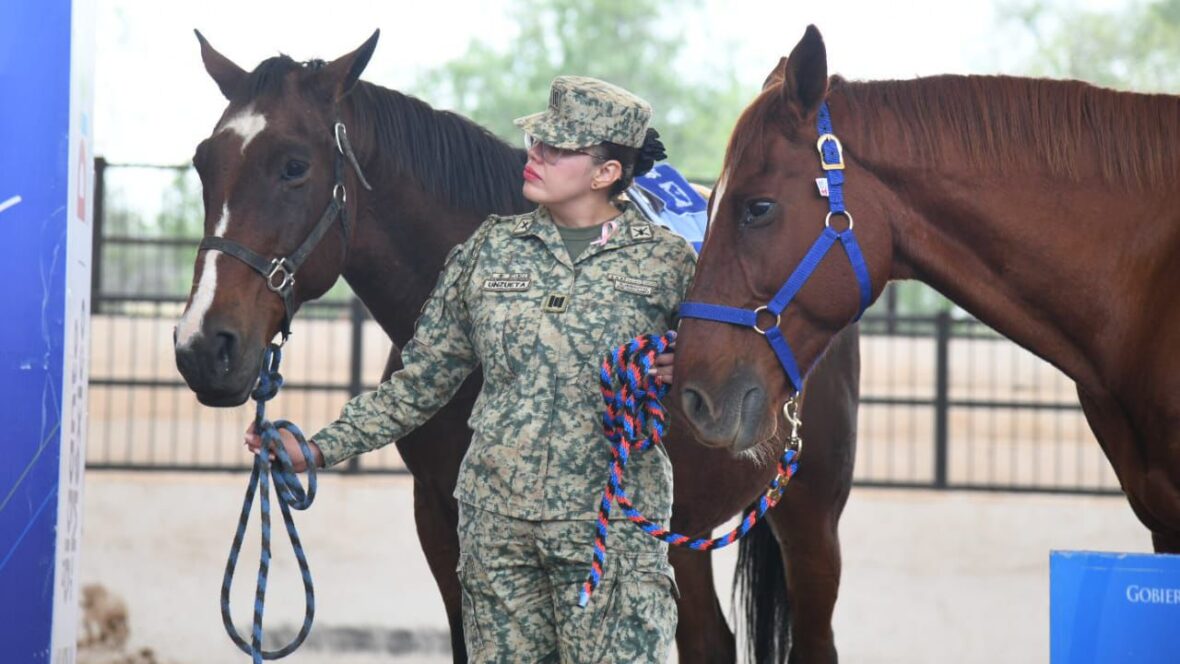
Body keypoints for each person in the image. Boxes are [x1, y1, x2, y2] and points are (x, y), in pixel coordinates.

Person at [246, 75, 696, 663]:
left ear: (606, 172)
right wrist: (317, 449)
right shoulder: (488, 251)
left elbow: (725, 375)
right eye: (537, 140)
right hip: (498, 540)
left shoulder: (668, 263)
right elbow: (422, 379)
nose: (535, 154)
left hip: (611, 538)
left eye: (558, 148)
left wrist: (686, 366)